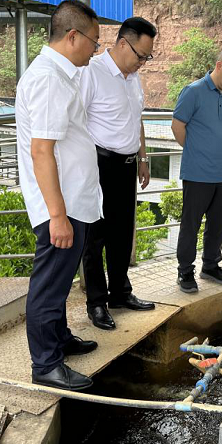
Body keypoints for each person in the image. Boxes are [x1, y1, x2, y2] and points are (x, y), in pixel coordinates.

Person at [15, 0, 102, 391]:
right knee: (49, 285)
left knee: (61, 280)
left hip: (72, 200)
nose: (95, 50)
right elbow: (41, 151)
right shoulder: (49, 78)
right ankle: (46, 364)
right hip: (60, 204)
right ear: (73, 36)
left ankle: (60, 339)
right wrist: (57, 215)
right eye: (94, 42)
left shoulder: (60, 75)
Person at [79, 17, 157, 331]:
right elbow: (76, 121)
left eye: (148, 57)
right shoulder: (92, 72)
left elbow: (136, 120)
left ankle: (121, 293)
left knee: (123, 233)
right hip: (98, 165)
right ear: (123, 43)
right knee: (94, 236)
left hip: (127, 165)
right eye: (141, 55)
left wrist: (142, 157)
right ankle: (97, 302)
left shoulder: (133, 78)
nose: (143, 62)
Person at [172, 46, 222, 293]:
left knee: (218, 224)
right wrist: (197, 151)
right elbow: (177, 127)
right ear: (219, 66)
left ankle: (211, 265)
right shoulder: (193, 92)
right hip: (196, 173)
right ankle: (185, 271)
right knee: (191, 225)